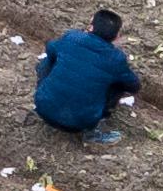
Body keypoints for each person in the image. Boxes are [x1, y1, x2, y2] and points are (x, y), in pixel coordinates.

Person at [33, 8, 137, 141]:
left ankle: (49, 96)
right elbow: (134, 86)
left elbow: (50, 48)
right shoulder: (116, 58)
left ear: (90, 27)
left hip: (42, 108)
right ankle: (91, 132)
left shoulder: (72, 37)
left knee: (48, 62)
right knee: (119, 85)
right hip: (80, 124)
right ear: (116, 37)